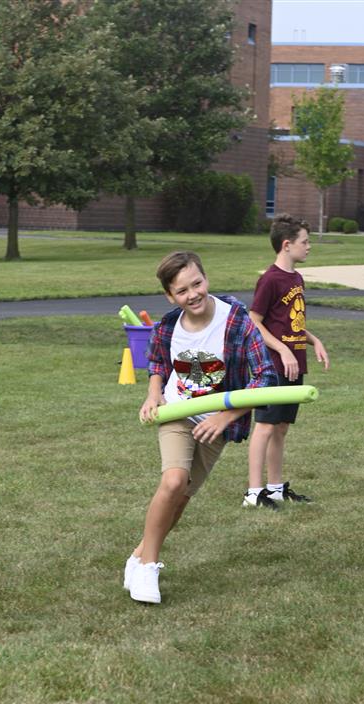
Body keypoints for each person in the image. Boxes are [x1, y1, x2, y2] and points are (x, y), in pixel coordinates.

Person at [125, 250, 276, 604]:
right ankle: (148, 567)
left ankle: (137, 556)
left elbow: (265, 377)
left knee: (181, 499)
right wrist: (153, 394)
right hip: (178, 410)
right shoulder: (167, 326)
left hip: (216, 422)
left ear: (206, 278)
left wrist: (226, 416)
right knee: (173, 481)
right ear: (170, 296)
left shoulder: (236, 322)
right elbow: (157, 363)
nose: (192, 294)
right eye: (182, 290)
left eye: (197, 283)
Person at [242, 213, 329, 510]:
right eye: (305, 241)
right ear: (287, 245)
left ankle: (276, 488)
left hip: (293, 365)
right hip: (273, 367)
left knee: (280, 428)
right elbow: (254, 322)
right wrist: (283, 350)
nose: (309, 246)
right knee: (265, 427)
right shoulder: (270, 279)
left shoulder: (296, 278)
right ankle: (254, 493)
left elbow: (290, 322)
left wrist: (314, 340)